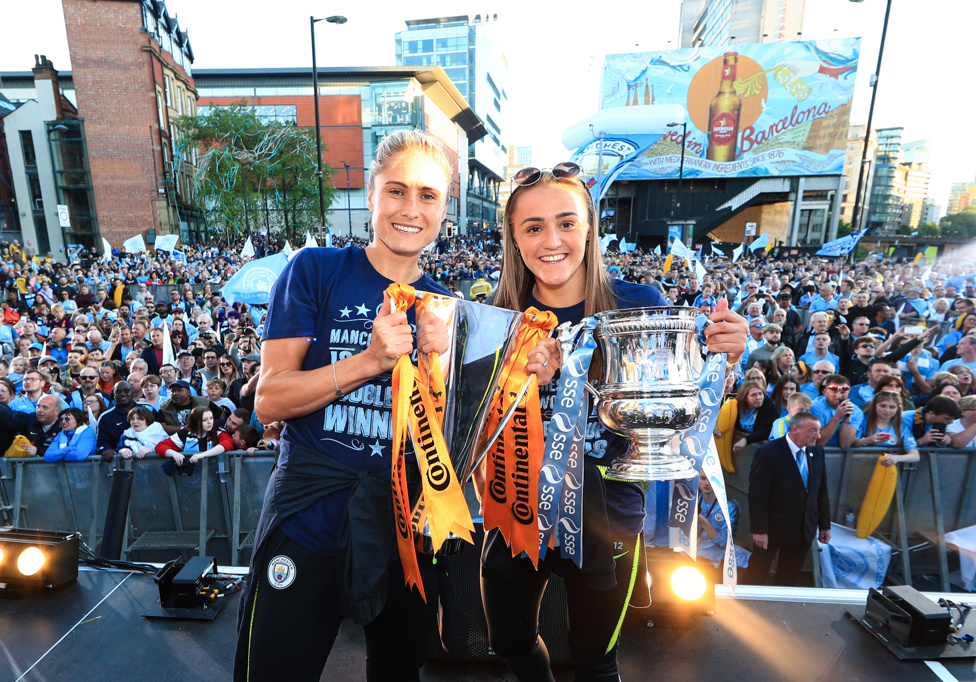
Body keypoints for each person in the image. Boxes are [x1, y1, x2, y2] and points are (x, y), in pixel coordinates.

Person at [478, 160, 747, 681]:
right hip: (517, 503)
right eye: (533, 227)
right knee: (506, 640)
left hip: (608, 511)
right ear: (514, 238)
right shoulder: (498, 315)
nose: (551, 239)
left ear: (590, 228)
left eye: (566, 222)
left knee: (595, 662)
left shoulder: (639, 304)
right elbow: (475, 430)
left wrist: (724, 362)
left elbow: (682, 412)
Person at [234, 131, 459, 681]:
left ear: (444, 208)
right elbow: (269, 400)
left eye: (428, 195)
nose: (411, 209)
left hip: (402, 525)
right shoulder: (315, 270)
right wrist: (367, 361)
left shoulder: (446, 309)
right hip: (307, 514)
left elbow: (453, 437)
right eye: (397, 191)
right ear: (372, 195)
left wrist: (446, 366)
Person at [748, 412, 831, 586]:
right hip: (772, 529)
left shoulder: (817, 451)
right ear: (795, 429)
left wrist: (825, 525)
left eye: (818, 431)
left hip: (803, 530)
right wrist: (759, 529)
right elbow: (758, 494)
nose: (819, 436)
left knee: (788, 579)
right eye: (813, 431)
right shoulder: (768, 452)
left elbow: (821, 490)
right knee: (756, 576)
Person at [696, 470, 750, 571]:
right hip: (695, 552)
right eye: (703, 478)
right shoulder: (694, 501)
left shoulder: (730, 506)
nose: (707, 483)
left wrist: (703, 522)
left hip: (716, 556)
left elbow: (724, 543)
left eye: (711, 479)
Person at [154, 405, 231, 476]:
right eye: (204, 420)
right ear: (195, 421)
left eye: (211, 418)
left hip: (215, 476)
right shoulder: (185, 433)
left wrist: (202, 455)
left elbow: (227, 444)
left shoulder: (218, 431)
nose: (209, 422)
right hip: (191, 479)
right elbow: (160, 447)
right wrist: (175, 454)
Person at [855, 392, 920, 466]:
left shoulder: (903, 426)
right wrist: (868, 440)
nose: (887, 410)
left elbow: (915, 456)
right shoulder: (863, 420)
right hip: (860, 464)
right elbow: (851, 442)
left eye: (892, 407)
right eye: (882, 406)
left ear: (898, 409)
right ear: (875, 406)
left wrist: (897, 458)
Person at [811, 374, 861, 448]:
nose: (839, 396)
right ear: (825, 391)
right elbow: (819, 442)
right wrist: (837, 417)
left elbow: (845, 444)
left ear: (849, 392)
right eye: (834, 391)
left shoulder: (856, 411)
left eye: (843, 392)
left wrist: (846, 417)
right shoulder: (815, 407)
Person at [731, 380, 778, 452]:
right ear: (745, 397)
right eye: (753, 395)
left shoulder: (769, 406)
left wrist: (746, 440)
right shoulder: (734, 406)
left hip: (759, 448)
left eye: (760, 393)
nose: (758, 397)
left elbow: (766, 430)